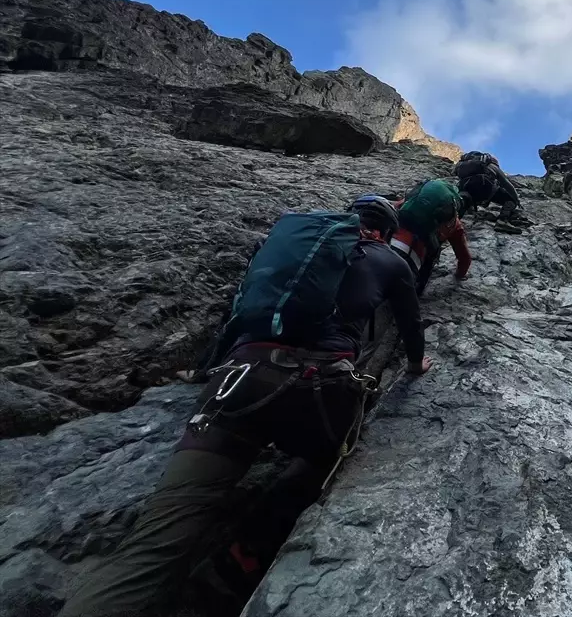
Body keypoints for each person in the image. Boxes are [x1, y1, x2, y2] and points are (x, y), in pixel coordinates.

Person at [60, 197, 430, 617]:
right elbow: (410, 325)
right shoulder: (390, 261)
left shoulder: (294, 248)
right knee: (334, 456)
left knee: (153, 543)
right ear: (385, 232)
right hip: (319, 389)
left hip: (236, 380)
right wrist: (416, 365)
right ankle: (251, 546)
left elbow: (238, 310)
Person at [389, 178, 472, 295]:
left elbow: (394, 208)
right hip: (417, 253)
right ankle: (418, 291)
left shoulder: (414, 203)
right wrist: (459, 275)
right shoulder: (455, 225)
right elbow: (464, 259)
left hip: (392, 240)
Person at [453, 151, 526, 230]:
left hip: (466, 188)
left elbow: (454, 173)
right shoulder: (492, 165)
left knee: (464, 201)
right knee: (510, 200)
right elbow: (506, 184)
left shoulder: (462, 166)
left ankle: (451, 224)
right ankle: (502, 221)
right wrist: (516, 199)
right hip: (484, 188)